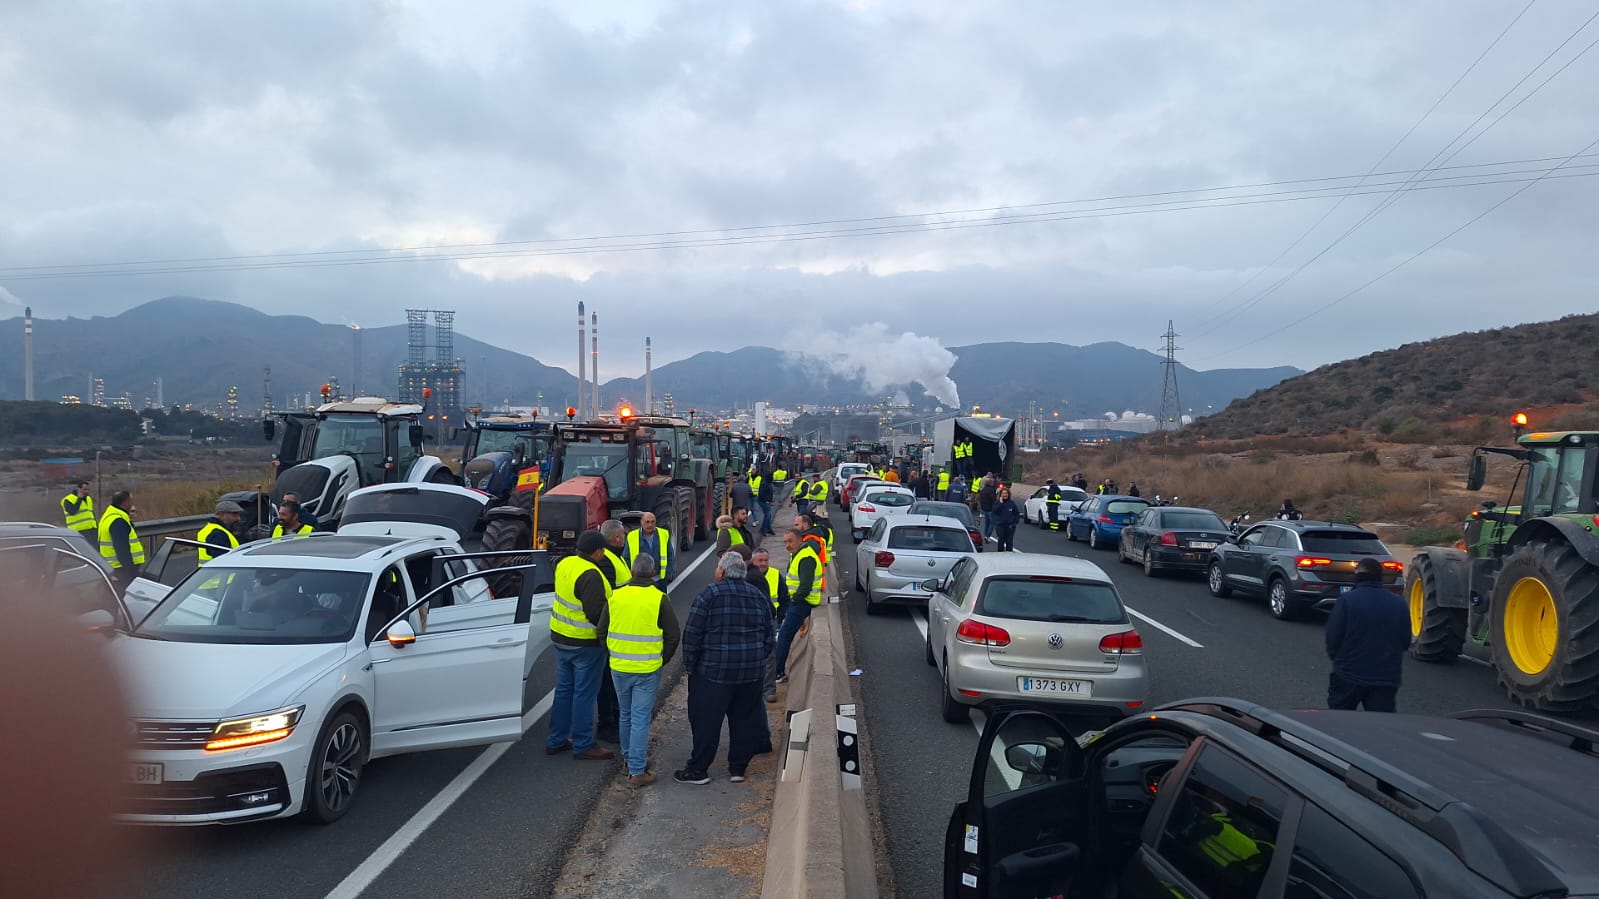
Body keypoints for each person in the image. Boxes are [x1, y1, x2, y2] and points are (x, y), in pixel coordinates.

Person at [676, 551, 774, 785]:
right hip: (750, 672)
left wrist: (690, 664)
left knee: (706, 720)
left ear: (722, 571)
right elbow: (770, 636)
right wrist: (758, 658)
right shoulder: (758, 596)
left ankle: (698, 769)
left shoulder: (709, 594)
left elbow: (692, 633)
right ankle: (738, 768)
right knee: (744, 718)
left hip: (713, 672)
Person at [597, 554, 681, 787]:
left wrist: (612, 653)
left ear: (632, 572)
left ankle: (628, 758)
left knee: (625, 714)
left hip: (619, 667)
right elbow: (673, 635)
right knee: (640, 718)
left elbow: (602, 631)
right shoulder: (659, 598)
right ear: (653, 573)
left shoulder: (616, 595)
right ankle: (636, 770)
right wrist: (661, 660)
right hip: (647, 668)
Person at [547, 531, 616, 761]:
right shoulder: (591, 575)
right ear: (596, 551)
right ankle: (584, 744)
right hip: (584, 643)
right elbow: (596, 613)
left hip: (561, 638)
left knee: (564, 690)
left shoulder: (565, 564)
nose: (604, 553)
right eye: (602, 550)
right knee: (584, 693)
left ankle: (556, 739)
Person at [1325, 558, 1411, 712]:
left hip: (1349, 674)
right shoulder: (1398, 603)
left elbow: (1333, 639)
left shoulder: (1346, 601)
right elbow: (1405, 640)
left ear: (1358, 575)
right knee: (1381, 727)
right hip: (1386, 677)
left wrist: (1339, 661)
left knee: (1338, 722)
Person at [773, 530, 823, 686]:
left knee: (784, 636)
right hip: (799, 602)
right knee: (783, 635)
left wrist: (794, 599)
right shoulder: (798, 553)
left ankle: (778, 672)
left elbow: (805, 585)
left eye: (790, 541)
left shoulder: (806, 557)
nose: (787, 545)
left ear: (800, 540)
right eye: (785, 542)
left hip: (803, 603)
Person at [596, 519, 630, 743]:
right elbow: (608, 599)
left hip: (616, 628)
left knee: (611, 680)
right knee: (607, 682)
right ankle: (607, 724)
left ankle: (615, 718)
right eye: (624, 536)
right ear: (617, 539)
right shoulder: (607, 561)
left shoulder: (613, 558)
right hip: (612, 630)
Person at [748, 548, 788, 704]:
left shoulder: (775, 575)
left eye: (765, 560)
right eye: (760, 560)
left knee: (770, 656)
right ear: (753, 562)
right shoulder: (748, 577)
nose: (763, 563)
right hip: (752, 622)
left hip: (771, 621)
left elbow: (784, 598)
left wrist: (781, 619)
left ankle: (769, 690)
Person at [97, 490, 144, 589]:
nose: (132, 504)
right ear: (125, 503)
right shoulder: (118, 521)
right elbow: (122, 549)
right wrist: (133, 572)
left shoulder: (108, 517)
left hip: (112, 568)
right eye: (131, 501)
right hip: (122, 570)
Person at [625, 511, 673, 585]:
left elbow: (670, 555)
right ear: (641, 522)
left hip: (660, 579)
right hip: (640, 581)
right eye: (647, 522)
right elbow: (626, 559)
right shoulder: (632, 536)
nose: (650, 524)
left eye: (652, 522)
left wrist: (668, 574)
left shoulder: (663, 534)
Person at [60, 481, 96, 548]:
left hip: (92, 529)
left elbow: (91, 514)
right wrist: (79, 499)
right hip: (78, 531)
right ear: (79, 489)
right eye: (85, 489)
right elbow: (72, 511)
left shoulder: (88, 499)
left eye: (88, 489)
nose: (87, 492)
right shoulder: (68, 500)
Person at [991, 486, 1021, 552]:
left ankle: (1009, 555)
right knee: (1001, 540)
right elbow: (995, 511)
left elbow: (1016, 513)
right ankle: (1000, 554)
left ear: (1008, 494)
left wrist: (1015, 522)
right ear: (1001, 494)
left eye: (1006, 493)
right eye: (1003, 493)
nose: (1005, 495)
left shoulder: (1011, 503)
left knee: (1009, 541)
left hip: (1010, 526)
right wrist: (1000, 503)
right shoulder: (997, 502)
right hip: (1000, 525)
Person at [755, 468, 776, 536]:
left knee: (769, 515)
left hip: (765, 501)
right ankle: (763, 529)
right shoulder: (764, 484)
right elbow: (762, 494)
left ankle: (768, 528)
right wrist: (767, 500)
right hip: (763, 501)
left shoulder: (767, 483)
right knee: (767, 515)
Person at [977, 474, 998, 540]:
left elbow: (980, 499)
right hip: (990, 509)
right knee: (992, 523)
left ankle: (985, 535)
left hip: (985, 509)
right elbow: (993, 500)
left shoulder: (983, 490)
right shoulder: (991, 491)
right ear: (991, 483)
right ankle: (987, 536)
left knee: (987, 523)